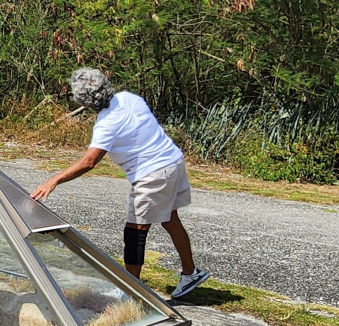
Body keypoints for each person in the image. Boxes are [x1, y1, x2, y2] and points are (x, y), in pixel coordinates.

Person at [30, 67, 208, 299]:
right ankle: (190, 273)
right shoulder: (129, 98)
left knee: (135, 233)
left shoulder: (106, 124)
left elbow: (89, 161)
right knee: (170, 219)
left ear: (83, 101)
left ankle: (130, 291)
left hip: (152, 174)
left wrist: (54, 180)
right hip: (172, 161)